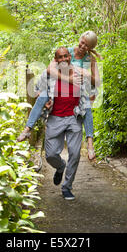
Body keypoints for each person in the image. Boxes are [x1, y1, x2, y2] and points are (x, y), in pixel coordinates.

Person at [17, 31, 101, 161]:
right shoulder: (66, 52)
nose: (83, 46)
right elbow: (50, 70)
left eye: (87, 45)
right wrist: (69, 79)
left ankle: (90, 143)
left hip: (74, 93)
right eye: (82, 42)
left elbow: (97, 82)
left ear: (91, 48)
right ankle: (28, 128)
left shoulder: (90, 59)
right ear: (80, 40)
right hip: (56, 88)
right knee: (42, 97)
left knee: (87, 107)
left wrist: (88, 75)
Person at [41, 47, 87, 200]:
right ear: (56, 59)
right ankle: (60, 166)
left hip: (73, 118)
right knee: (50, 155)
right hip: (55, 118)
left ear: (70, 57)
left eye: (66, 56)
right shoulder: (50, 76)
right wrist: (44, 103)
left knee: (74, 153)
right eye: (59, 57)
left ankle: (67, 187)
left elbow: (87, 97)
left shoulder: (78, 74)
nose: (63, 59)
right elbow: (38, 93)